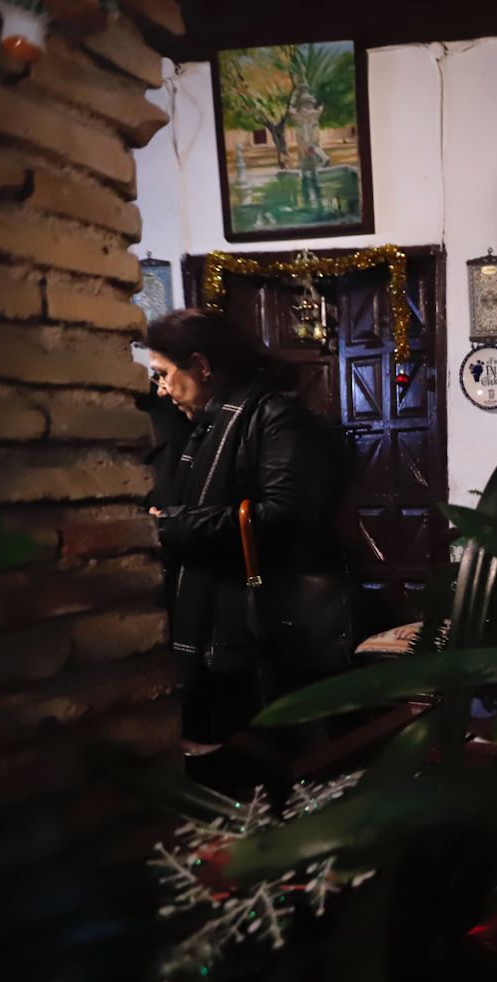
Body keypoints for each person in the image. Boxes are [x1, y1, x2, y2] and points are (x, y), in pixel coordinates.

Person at [144, 309, 346, 751]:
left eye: (163, 374)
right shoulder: (206, 425)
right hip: (223, 612)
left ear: (201, 366)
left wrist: (171, 525)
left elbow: (282, 514)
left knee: (272, 746)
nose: (160, 388)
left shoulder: (274, 415)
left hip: (266, 617)